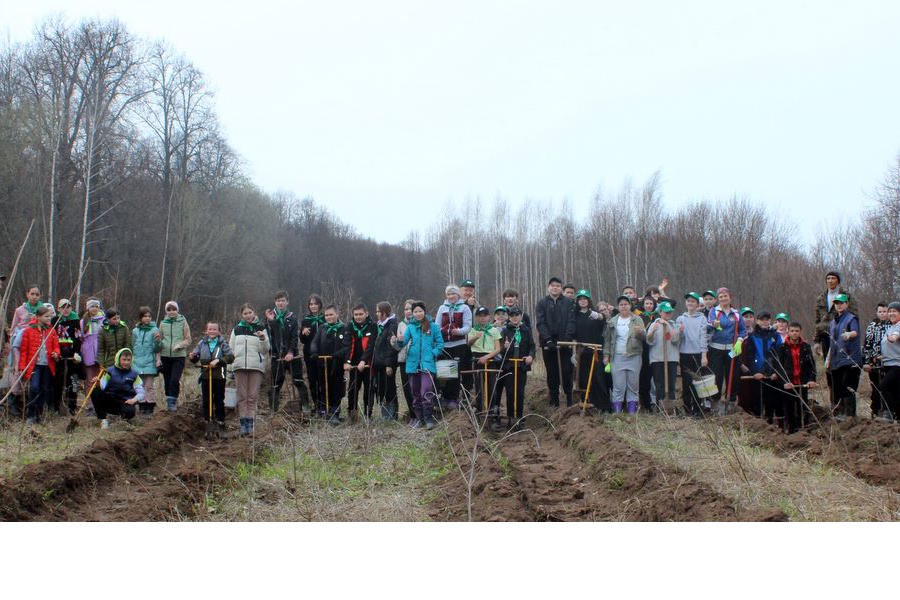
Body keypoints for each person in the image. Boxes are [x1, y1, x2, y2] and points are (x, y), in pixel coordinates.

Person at [265, 290, 309, 413]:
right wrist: (272, 322)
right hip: (276, 356)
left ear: (287, 302)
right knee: (276, 384)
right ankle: (273, 411)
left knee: (298, 380)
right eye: (278, 300)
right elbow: (271, 336)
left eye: (283, 300)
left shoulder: (292, 317)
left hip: (292, 355)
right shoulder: (269, 317)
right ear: (275, 302)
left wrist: (290, 352)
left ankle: (306, 407)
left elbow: (295, 337)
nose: (280, 303)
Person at [535, 277, 576, 407]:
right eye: (553, 285)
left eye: (558, 286)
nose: (555, 288)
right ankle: (554, 401)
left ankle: (569, 399)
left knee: (566, 371)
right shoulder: (542, 303)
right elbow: (540, 323)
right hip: (548, 345)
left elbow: (571, 321)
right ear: (549, 287)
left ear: (561, 288)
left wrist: (567, 338)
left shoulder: (568, 303)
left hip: (564, 343)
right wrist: (547, 339)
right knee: (552, 373)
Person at [229, 304, 269, 436]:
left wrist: (262, 338)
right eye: (245, 313)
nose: (248, 315)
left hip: (255, 366)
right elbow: (230, 349)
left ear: (254, 312)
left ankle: (250, 424)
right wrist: (230, 368)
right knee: (242, 396)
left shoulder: (261, 328)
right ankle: (242, 424)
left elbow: (265, 350)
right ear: (242, 315)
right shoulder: (236, 329)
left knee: (252, 396)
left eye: (250, 312)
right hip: (239, 366)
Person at [404, 301, 444, 430]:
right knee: (415, 393)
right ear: (413, 313)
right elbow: (402, 343)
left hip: (427, 365)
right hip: (413, 364)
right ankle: (419, 418)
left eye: (420, 311)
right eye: (415, 311)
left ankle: (428, 418)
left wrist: (432, 354)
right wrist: (396, 341)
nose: (418, 314)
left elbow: (440, 344)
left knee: (426, 391)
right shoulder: (410, 327)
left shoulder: (433, 326)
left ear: (424, 312)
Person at [189, 321, 235, 434]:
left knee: (219, 399)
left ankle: (220, 421)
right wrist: (192, 357)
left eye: (214, 329)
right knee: (206, 399)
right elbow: (195, 356)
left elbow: (230, 357)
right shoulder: (202, 343)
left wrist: (219, 360)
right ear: (206, 330)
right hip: (205, 374)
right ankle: (207, 420)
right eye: (210, 329)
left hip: (219, 375)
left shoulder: (222, 343)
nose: (212, 331)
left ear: (218, 331)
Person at [18, 305, 60, 425]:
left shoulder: (51, 330)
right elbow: (24, 351)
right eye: (46, 316)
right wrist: (22, 367)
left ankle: (39, 415)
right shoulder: (28, 330)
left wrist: (56, 353)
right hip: (34, 366)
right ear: (38, 317)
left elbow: (56, 346)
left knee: (44, 389)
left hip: (47, 365)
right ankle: (30, 415)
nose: (49, 318)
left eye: (50, 316)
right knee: (34, 387)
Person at [707, 287, 746, 415]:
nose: (723, 298)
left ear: (730, 297)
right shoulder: (714, 311)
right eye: (721, 297)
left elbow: (742, 330)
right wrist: (714, 325)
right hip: (716, 348)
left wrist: (740, 341)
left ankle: (731, 402)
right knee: (716, 376)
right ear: (718, 299)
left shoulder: (736, 313)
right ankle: (715, 404)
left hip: (732, 349)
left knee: (733, 376)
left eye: (725, 296)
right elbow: (709, 324)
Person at [604, 296, 646, 414]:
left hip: (634, 356)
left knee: (633, 385)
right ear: (618, 307)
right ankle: (617, 413)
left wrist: (640, 333)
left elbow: (645, 337)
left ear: (630, 306)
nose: (624, 306)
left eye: (626, 304)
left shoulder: (637, 319)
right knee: (618, 386)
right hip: (617, 357)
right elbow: (607, 340)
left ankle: (632, 413)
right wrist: (606, 355)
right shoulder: (612, 321)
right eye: (621, 304)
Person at [775, 322, 818, 433]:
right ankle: (791, 432)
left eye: (797, 331)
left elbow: (811, 366)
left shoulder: (806, 347)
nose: (794, 333)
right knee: (789, 409)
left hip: (802, 383)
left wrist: (811, 380)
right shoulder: (782, 348)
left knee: (802, 408)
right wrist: (784, 382)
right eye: (792, 331)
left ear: (800, 332)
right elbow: (779, 367)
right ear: (788, 332)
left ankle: (804, 431)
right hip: (789, 384)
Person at [434, 285, 472, 411]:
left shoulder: (465, 308)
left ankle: (453, 398)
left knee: (455, 372)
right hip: (445, 345)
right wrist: (443, 331)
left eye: (453, 294)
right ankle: (444, 397)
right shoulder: (442, 308)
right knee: (445, 372)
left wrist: (459, 331)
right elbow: (436, 326)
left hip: (458, 344)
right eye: (448, 294)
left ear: (458, 295)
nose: (451, 296)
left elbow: (468, 327)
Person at [741, 311, 782, 422]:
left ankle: (770, 423)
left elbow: (780, 356)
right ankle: (759, 424)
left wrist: (776, 372)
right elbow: (750, 356)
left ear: (770, 321)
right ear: (757, 321)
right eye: (762, 319)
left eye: (767, 319)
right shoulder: (752, 336)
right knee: (757, 401)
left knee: (771, 401)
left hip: (772, 374)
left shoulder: (776, 336)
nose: (765, 322)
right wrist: (754, 372)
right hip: (757, 374)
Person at [309, 305, 348, 423]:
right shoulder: (322, 328)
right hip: (323, 363)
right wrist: (314, 352)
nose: (329, 317)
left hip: (336, 363)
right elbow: (314, 342)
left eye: (331, 314)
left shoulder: (343, 328)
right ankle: (323, 411)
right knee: (323, 387)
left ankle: (335, 412)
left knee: (336, 388)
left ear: (337, 314)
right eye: (326, 315)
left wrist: (337, 354)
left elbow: (347, 346)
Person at [826, 294, 862, 420]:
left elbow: (855, 332)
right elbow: (832, 341)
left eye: (841, 303)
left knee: (848, 386)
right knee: (837, 387)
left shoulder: (851, 318)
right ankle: (841, 413)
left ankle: (850, 416)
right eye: (837, 303)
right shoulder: (832, 322)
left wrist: (849, 334)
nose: (839, 305)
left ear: (846, 304)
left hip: (850, 359)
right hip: (836, 360)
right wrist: (828, 359)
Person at [499, 306, 534, 430]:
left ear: (520, 316)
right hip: (509, 366)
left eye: (517, 315)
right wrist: (505, 346)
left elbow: (532, 346)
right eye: (512, 315)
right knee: (510, 392)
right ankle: (510, 416)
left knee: (520, 392)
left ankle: (519, 417)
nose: (515, 317)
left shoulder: (526, 330)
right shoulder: (505, 330)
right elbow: (500, 349)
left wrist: (530, 356)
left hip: (521, 366)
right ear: (509, 317)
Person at [573, 290, 608, 412]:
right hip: (581, 352)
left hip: (595, 351)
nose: (583, 300)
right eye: (580, 298)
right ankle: (586, 404)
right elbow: (573, 334)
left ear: (589, 300)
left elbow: (605, 322)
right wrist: (574, 353)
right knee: (583, 379)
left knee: (598, 379)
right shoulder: (575, 315)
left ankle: (602, 407)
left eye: (585, 298)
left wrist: (601, 316)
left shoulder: (595, 315)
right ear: (577, 301)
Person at [93, 348, 143, 430]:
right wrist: (98, 383)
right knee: (95, 391)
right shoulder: (110, 370)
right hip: (111, 400)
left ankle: (123, 421)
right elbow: (103, 386)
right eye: (124, 360)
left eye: (128, 360)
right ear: (118, 359)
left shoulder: (134, 374)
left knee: (130, 411)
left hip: (125, 402)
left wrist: (134, 400)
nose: (126, 362)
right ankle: (103, 419)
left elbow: (141, 392)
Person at [343, 303, 377, 422]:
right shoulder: (349, 326)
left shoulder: (372, 326)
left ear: (366, 314)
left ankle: (368, 414)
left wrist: (363, 360)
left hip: (368, 363)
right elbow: (347, 345)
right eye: (356, 314)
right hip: (354, 365)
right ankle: (352, 414)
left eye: (360, 314)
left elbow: (371, 345)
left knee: (369, 389)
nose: (358, 317)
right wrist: (347, 361)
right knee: (353, 389)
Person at [676, 293, 709, 416]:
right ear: (686, 303)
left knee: (697, 382)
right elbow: (677, 339)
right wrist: (680, 332)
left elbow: (703, 337)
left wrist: (704, 355)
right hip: (684, 354)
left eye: (693, 302)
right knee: (686, 382)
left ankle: (697, 408)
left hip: (697, 354)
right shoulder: (680, 319)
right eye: (688, 301)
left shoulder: (702, 318)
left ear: (697, 304)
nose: (690, 303)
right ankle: (687, 409)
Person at [467, 306, 503, 416]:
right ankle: (480, 410)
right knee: (479, 386)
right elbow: (468, 344)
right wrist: (475, 337)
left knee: (491, 386)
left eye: (484, 316)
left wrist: (487, 357)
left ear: (489, 317)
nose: (482, 318)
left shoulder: (494, 330)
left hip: (490, 359)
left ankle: (491, 412)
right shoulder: (473, 330)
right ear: (476, 318)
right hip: (477, 359)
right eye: (479, 316)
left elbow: (498, 349)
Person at [646, 301, 680, 413]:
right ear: (660, 312)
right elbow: (649, 341)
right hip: (657, 359)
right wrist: (652, 332)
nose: (668, 314)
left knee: (671, 383)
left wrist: (667, 325)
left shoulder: (674, 324)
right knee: (659, 384)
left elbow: (675, 340)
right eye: (665, 312)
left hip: (671, 359)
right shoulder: (654, 324)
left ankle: (671, 407)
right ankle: (660, 406)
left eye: (670, 312)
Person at [159, 300, 192, 412]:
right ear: (166, 311)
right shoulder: (163, 323)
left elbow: (188, 339)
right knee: (167, 380)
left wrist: (180, 345)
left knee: (174, 379)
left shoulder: (183, 321)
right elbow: (159, 339)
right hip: (165, 355)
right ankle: (169, 403)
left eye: (174, 309)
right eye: (169, 309)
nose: (172, 312)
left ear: (177, 310)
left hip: (179, 356)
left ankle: (173, 401)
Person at [51, 298, 82, 415]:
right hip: (58, 356)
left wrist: (77, 353)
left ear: (71, 308)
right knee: (57, 382)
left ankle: (72, 407)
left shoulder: (76, 321)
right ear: (58, 309)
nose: (66, 309)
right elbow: (52, 338)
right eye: (63, 307)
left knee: (73, 381)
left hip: (72, 356)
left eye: (68, 307)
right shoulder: (55, 320)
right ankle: (56, 407)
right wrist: (55, 352)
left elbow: (78, 338)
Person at [131, 307, 162, 418]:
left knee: (149, 386)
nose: (147, 318)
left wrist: (158, 341)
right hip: (137, 362)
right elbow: (132, 346)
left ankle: (149, 408)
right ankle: (141, 407)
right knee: (139, 386)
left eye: (149, 316)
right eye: (145, 316)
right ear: (140, 318)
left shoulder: (155, 330)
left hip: (149, 362)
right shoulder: (135, 331)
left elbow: (157, 348)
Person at [373, 301, 400, 420]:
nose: (377, 314)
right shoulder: (379, 326)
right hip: (379, 364)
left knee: (390, 389)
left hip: (387, 364)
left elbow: (391, 347)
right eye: (377, 311)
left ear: (385, 312)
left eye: (379, 311)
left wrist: (389, 364)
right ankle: (385, 415)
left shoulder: (392, 325)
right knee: (381, 389)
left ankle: (392, 415)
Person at [863, 303, 890, 421]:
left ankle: (888, 411)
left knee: (888, 387)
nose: (882, 314)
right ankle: (876, 410)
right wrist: (867, 361)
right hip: (874, 362)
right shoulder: (872, 326)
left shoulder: (893, 325)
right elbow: (867, 344)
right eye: (880, 311)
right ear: (877, 312)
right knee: (875, 387)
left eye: (885, 311)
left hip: (889, 361)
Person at [300, 294, 326, 417]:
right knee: (312, 380)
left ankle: (324, 406)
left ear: (320, 305)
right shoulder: (306, 320)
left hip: (323, 354)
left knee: (323, 379)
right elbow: (302, 341)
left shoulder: (325, 319)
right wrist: (303, 333)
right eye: (311, 304)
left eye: (315, 303)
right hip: (309, 355)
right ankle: (316, 405)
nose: (313, 306)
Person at [391, 299, 417, 423]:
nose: (408, 311)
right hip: (403, 361)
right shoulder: (401, 325)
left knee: (416, 389)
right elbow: (398, 347)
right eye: (406, 309)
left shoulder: (421, 324)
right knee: (406, 389)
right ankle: (412, 415)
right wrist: (394, 342)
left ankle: (420, 415)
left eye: (411, 309)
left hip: (417, 361)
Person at [877, 302, 900, 422]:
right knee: (895, 391)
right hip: (888, 364)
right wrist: (882, 356)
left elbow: (895, 337)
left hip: (897, 364)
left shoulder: (898, 326)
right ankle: (897, 416)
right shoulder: (891, 327)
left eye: (894, 311)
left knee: (884, 386)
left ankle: (889, 413)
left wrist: (892, 338)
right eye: (890, 311)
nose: (891, 313)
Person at [637, 295, 657, 411]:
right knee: (643, 376)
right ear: (643, 305)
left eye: (651, 304)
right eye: (647, 304)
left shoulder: (657, 317)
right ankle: (644, 402)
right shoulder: (639, 317)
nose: (649, 306)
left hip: (654, 349)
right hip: (642, 350)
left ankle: (653, 402)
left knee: (653, 378)